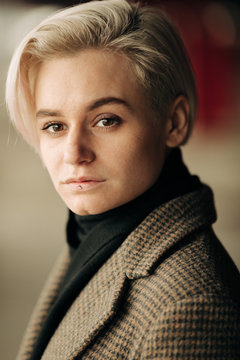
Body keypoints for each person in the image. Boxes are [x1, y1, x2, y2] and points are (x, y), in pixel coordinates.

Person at [6, 0, 240, 359]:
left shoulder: (189, 307)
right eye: (54, 126)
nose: (74, 153)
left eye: (105, 120)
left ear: (174, 122)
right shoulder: (94, 235)